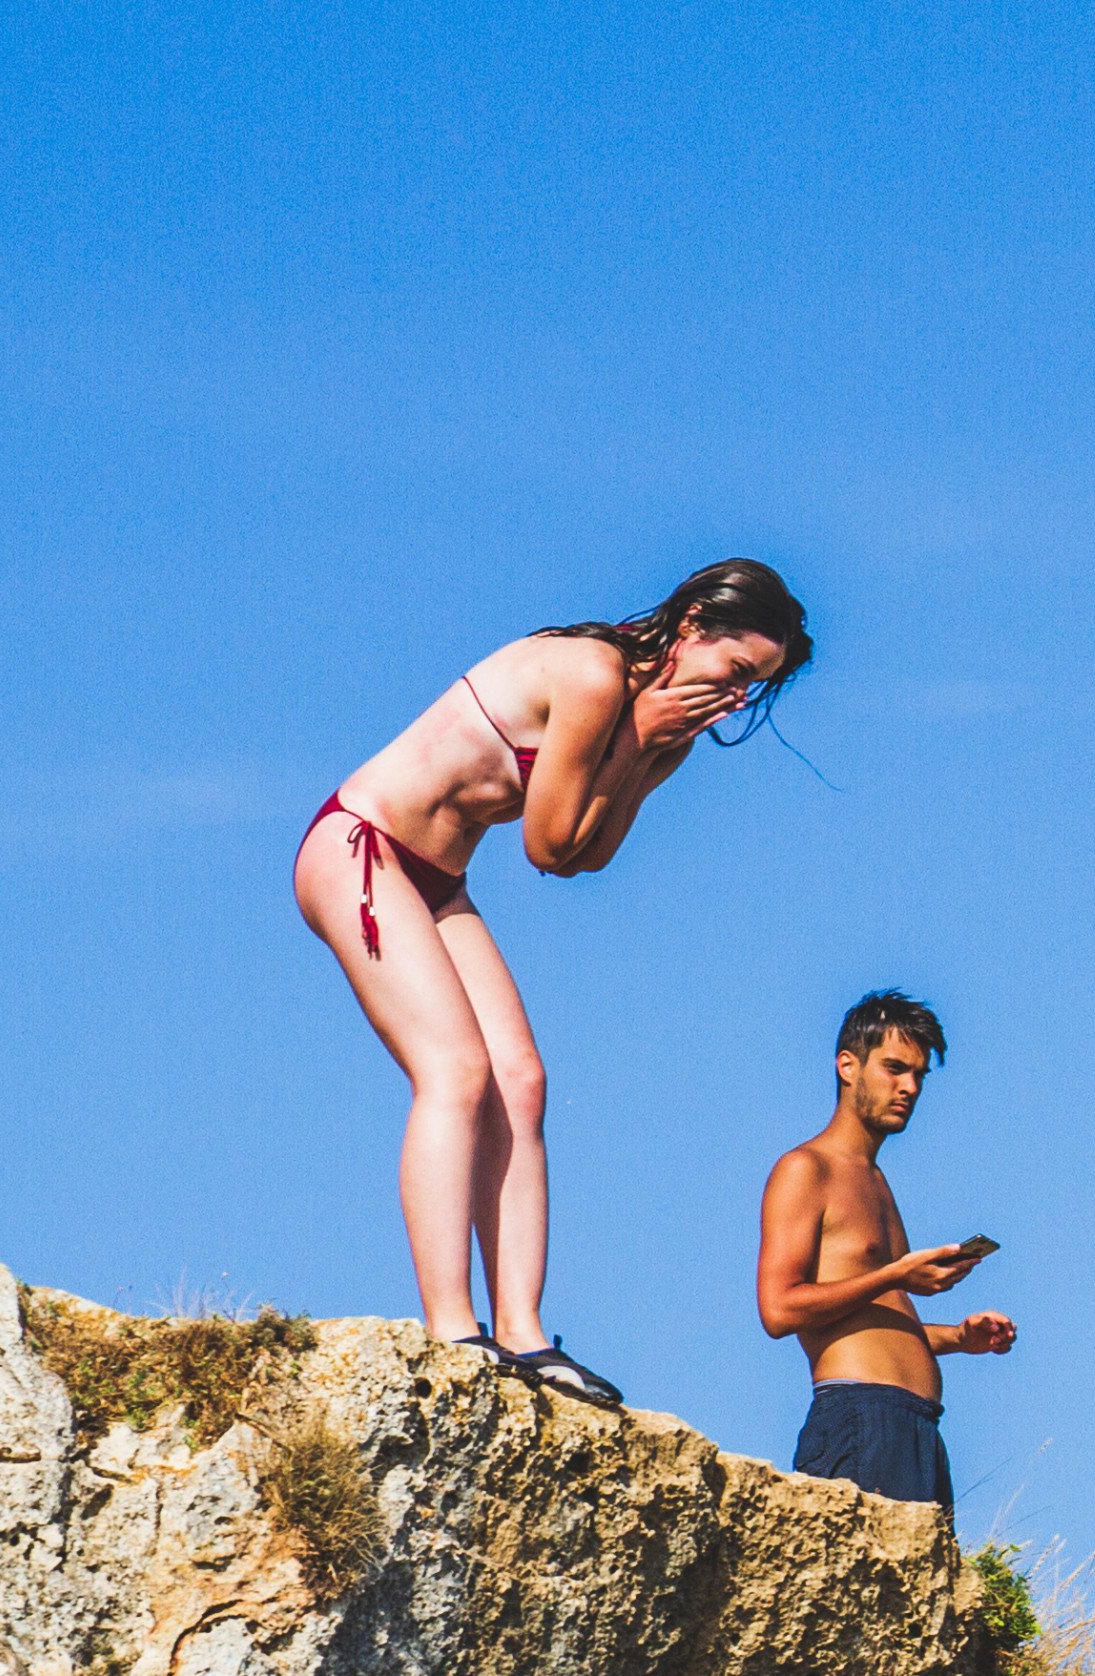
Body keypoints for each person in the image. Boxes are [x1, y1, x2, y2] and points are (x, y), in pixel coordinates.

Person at [297, 559, 815, 1407]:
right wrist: (637, 733)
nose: (734, 700)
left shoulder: (654, 729)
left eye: (753, 688)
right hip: (361, 848)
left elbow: (581, 858)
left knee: (523, 1083)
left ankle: (526, 1335)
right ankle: (451, 1326)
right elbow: (545, 843)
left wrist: (646, 748)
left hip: (436, 879)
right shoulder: (592, 674)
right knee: (457, 1072)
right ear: (691, 628)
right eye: (734, 674)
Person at [754, 992, 1014, 1515]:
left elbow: (871, 1322)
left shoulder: (874, 1180)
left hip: (916, 1429)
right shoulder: (806, 1168)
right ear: (848, 1065)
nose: (910, 1088)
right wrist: (896, 1272)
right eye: (895, 1069)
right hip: (858, 1420)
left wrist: (960, 1339)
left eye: (919, 1075)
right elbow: (778, 1309)